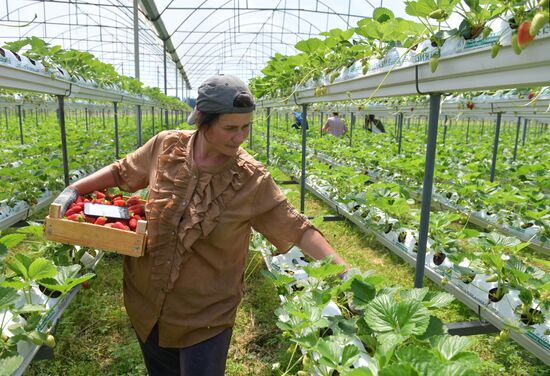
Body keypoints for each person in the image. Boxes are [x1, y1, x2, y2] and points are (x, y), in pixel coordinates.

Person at [52, 74, 349, 376]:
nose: (241, 136)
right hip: (145, 302)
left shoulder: (251, 180)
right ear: (202, 121)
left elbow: (298, 228)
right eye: (230, 128)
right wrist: (74, 190)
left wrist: (347, 274)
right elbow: (120, 172)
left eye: (246, 126)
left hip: (205, 317)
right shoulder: (166, 146)